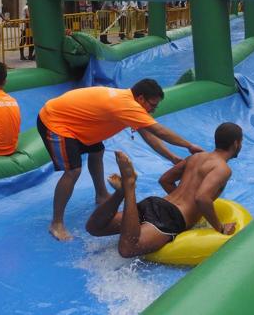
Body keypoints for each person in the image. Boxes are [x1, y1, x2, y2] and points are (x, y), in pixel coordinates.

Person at [37, 78, 204, 241]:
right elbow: (159, 131)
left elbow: (148, 135)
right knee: (73, 171)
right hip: (56, 121)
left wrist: (172, 157)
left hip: (81, 122)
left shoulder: (129, 102)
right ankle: (56, 223)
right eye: (152, 105)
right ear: (140, 98)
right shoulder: (126, 106)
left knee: (97, 152)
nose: (153, 110)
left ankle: (101, 194)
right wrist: (189, 145)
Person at [85, 122, 243, 258]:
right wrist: (220, 227)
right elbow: (202, 198)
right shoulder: (223, 169)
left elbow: (165, 180)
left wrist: (178, 200)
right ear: (236, 143)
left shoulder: (196, 157)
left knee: (95, 228)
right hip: (172, 217)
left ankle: (121, 192)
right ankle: (129, 188)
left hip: (156, 203)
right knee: (128, 249)